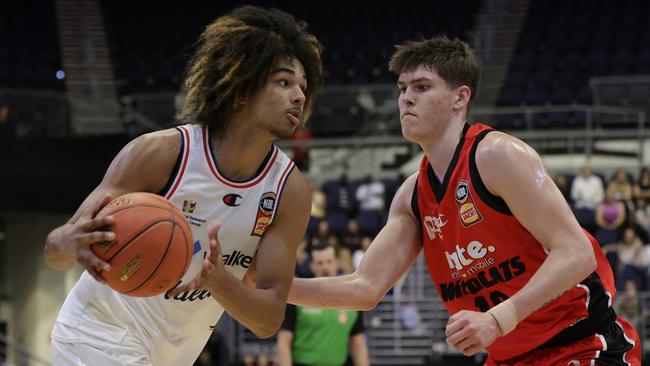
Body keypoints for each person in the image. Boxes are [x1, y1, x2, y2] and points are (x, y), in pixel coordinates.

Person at [288, 36, 641, 365]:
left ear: (460, 97)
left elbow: (576, 253)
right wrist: (267, 288)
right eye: (402, 89)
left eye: (422, 87)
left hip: (581, 342)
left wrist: (498, 319)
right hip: (508, 358)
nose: (406, 98)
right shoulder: (411, 196)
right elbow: (364, 288)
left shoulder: (497, 155)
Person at [43, 6, 323, 365]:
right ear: (241, 88)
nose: (299, 96)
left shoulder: (290, 191)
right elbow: (55, 255)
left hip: (173, 354)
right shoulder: (160, 153)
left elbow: (268, 319)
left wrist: (220, 282)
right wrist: (67, 242)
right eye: (283, 82)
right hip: (98, 333)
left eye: (302, 87)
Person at [277, 244, 369, 366]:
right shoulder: (298, 297)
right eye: (319, 263)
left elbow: (358, 345)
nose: (325, 267)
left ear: (337, 262)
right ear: (312, 266)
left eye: (329, 262)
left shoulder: (350, 299)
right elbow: (284, 340)